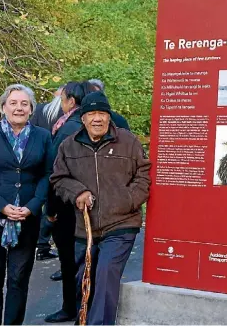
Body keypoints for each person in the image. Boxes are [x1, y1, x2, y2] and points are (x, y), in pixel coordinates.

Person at [50, 91, 150, 325]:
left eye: (102, 113)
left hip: (121, 224)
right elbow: (58, 179)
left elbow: (144, 174)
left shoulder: (128, 141)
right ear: (83, 118)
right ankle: (84, 319)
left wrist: (128, 200)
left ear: (110, 117)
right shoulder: (69, 145)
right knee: (84, 280)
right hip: (84, 228)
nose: (98, 119)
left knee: (105, 275)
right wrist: (78, 192)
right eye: (92, 114)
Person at [0, 84, 53, 325]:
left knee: (18, 278)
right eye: (13, 103)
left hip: (27, 216)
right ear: (3, 106)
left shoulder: (43, 136)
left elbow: (48, 174)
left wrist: (34, 205)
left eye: (24, 103)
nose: (19, 107)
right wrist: (0, 206)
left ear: (31, 109)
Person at [43, 81, 96, 323]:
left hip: (67, 205)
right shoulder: (91, 126)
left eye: (62, 99)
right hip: (90, 203)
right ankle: (83, 306)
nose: (61, 104)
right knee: (85, 260)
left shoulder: (67, 130)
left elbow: (56, 173)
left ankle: (71, 308)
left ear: (71, 102)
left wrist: (51, 210)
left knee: (69, 261)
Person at [32, 86, 64, 262]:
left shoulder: (40, 110)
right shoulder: (66, 114)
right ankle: (43, 243)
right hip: (56, 164)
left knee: (39, 200)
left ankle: (38, 243)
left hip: (39, 161)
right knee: (51, 206)